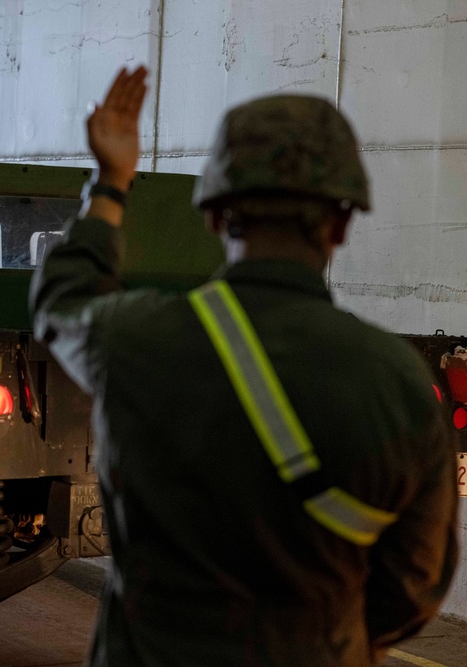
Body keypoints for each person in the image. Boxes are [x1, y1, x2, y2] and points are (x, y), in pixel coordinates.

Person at [30, 65, 459, 665]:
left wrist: (111, 183)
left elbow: (59, 302)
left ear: (213, 215)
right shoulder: (400, 382)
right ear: (340, 224)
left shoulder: (137, 339)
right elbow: (419, 581)